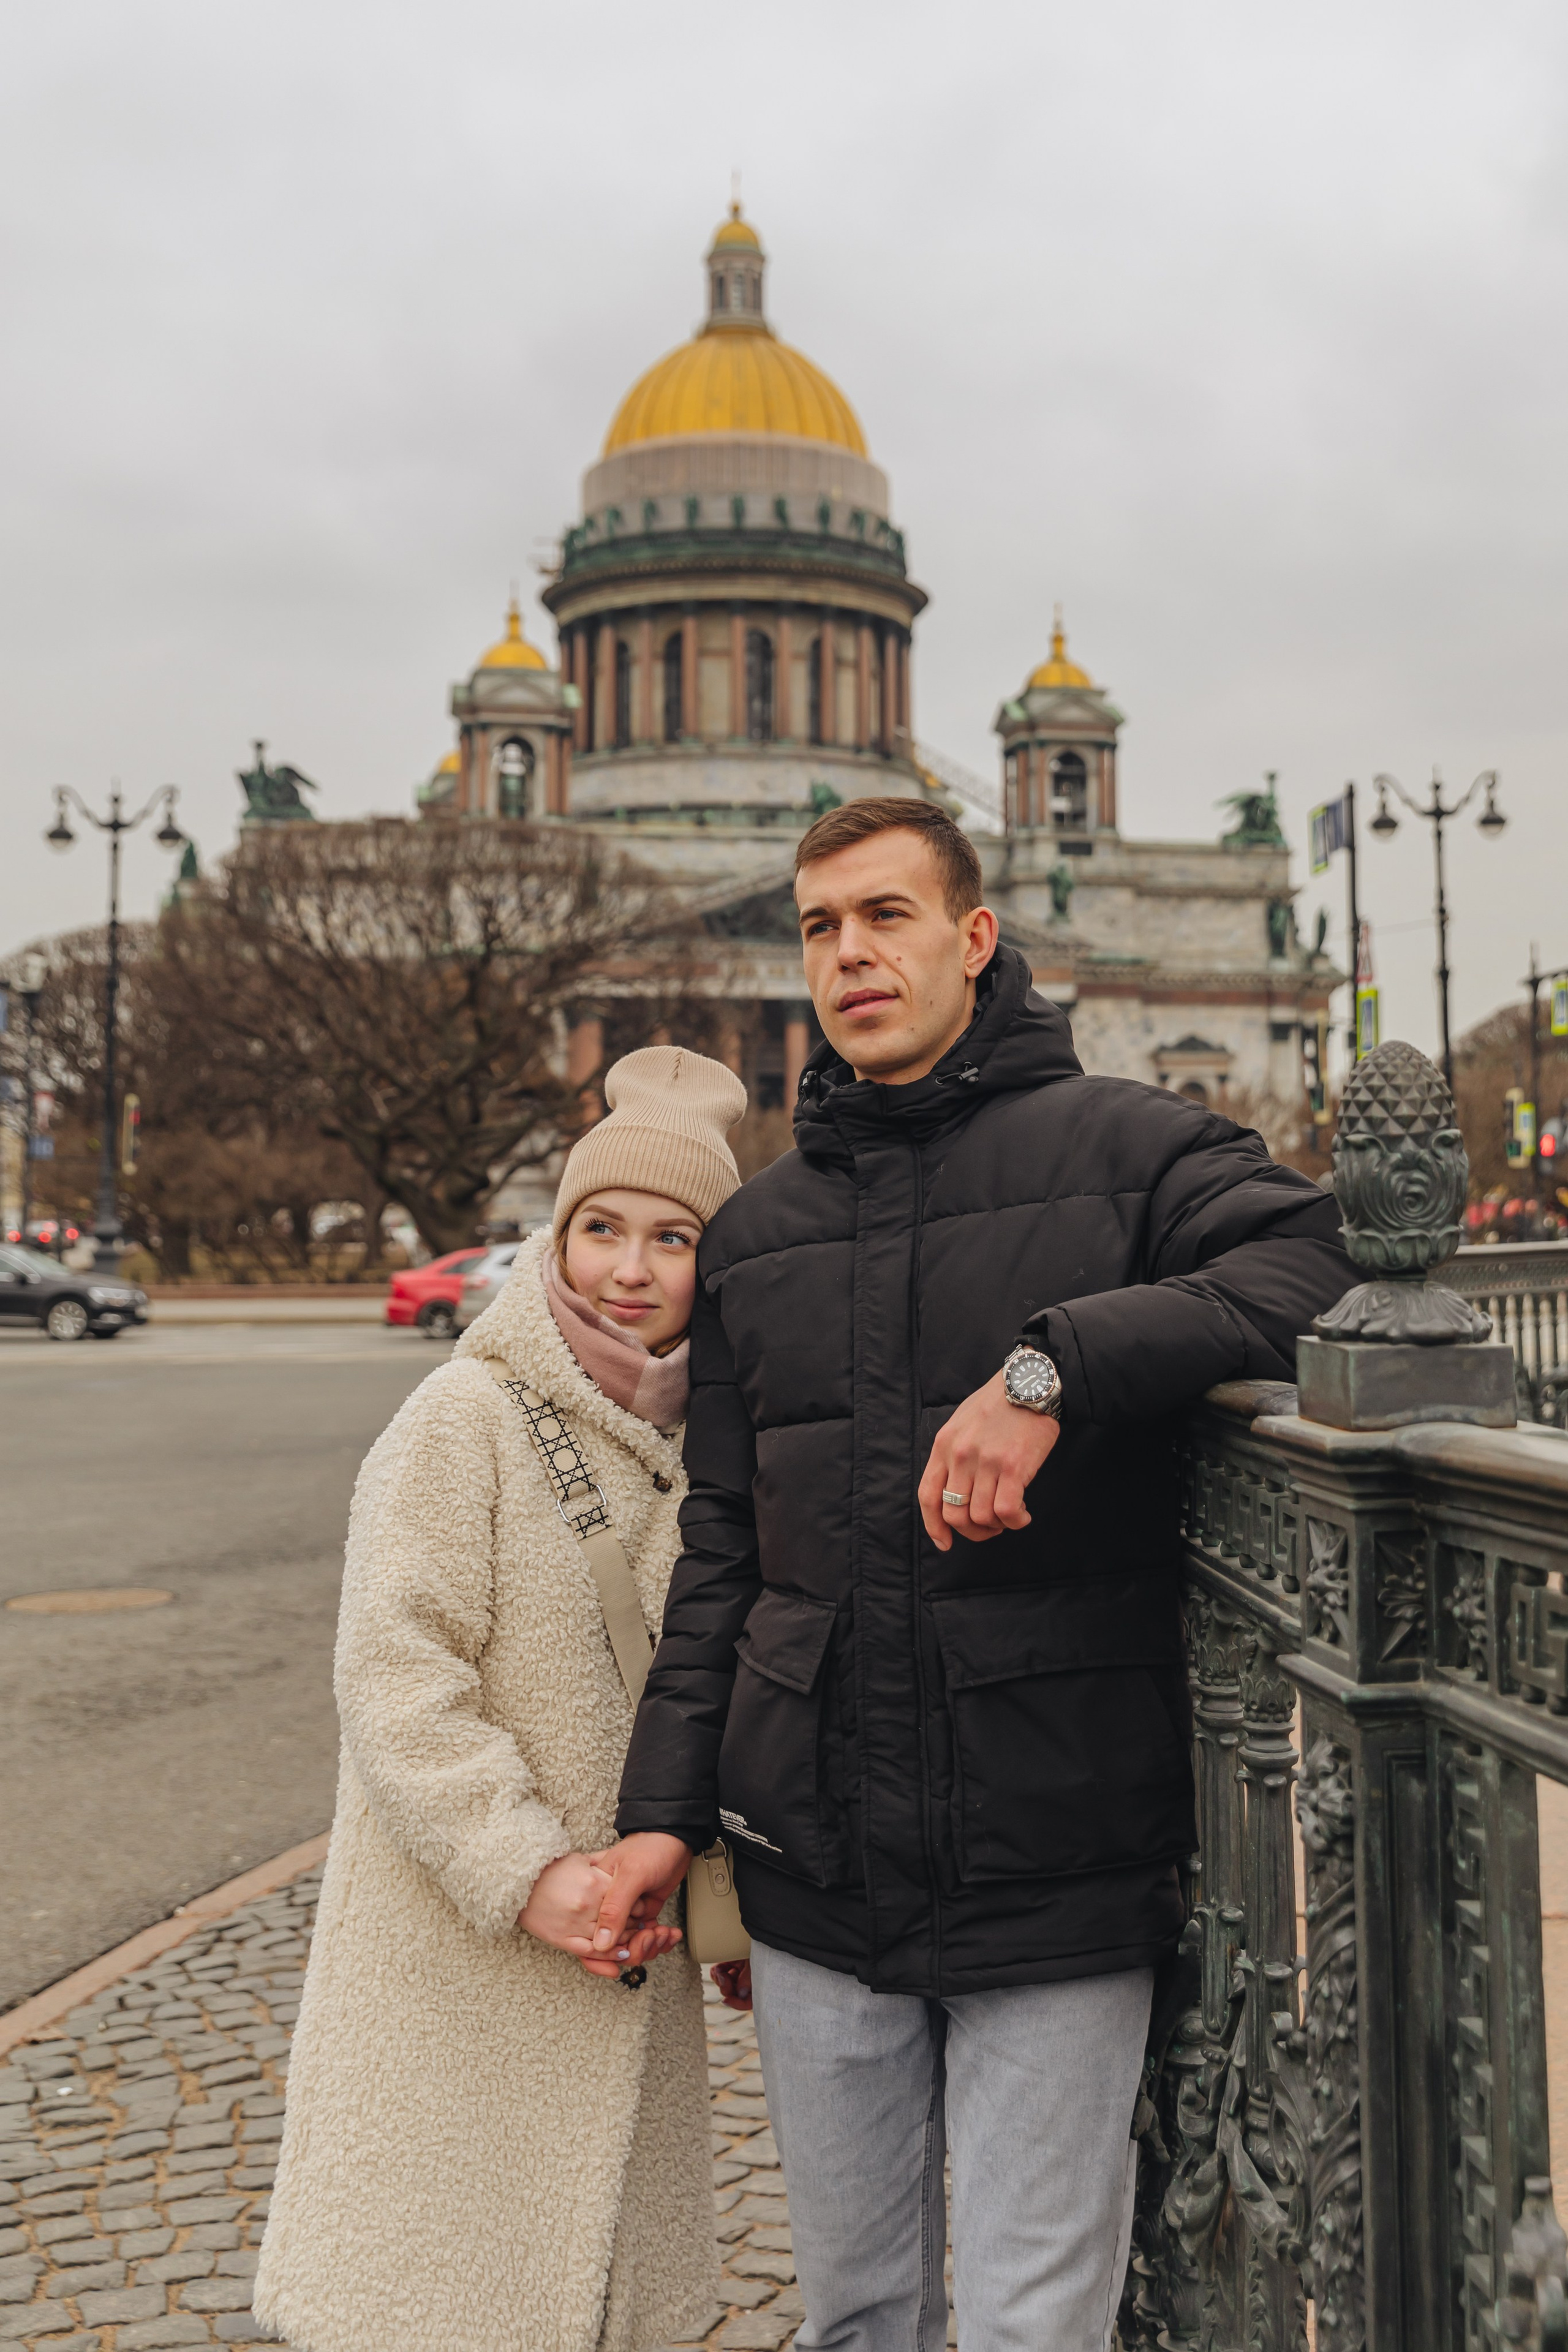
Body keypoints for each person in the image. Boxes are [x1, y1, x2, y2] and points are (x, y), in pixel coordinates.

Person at [595, 800, 1353, 2351]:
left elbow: (1323, 1267)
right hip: (816, 1869)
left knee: (1031, 2321)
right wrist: (660, 1820)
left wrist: (1051, 1368)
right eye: (818, 927)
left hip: (1052, 1849)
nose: (849, 954)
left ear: (974, 937)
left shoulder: (1126, 1145)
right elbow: (724, 1553)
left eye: (884, 915)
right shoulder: (757, 1235)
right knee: (858, 2313)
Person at [254, 1046, 747, 2352]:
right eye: (599, 1228)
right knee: (441, 2297)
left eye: (670, 1236)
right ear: (557, 1237)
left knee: (594, 2302)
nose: (627, 1269)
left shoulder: (712, 1439)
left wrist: (726, 1886)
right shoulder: (457, 1414)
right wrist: (523, 1866)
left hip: (625, 1934)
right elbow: (396, 1678)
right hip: (464, 1941)